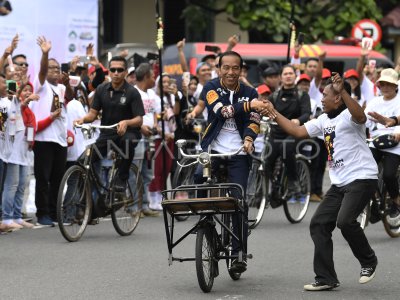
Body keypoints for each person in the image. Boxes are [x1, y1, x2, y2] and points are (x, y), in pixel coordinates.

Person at [261, 74, 378, 291]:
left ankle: (368, 260)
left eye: (326, 95)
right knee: (318, 224)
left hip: (362, 177)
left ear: (338, 99)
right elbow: (297, 131)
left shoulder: (349, 116)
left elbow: (361, 116)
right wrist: (273, 112)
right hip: (339, 182)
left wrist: (343, 90)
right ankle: (326, 278)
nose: (321, 99)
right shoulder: (323, 120)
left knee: (344, 222)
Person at [198, 50, 268, 273]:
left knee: (238, 201)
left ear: (241, 70)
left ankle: (239, 253)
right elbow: (221, 112)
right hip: (214, 151)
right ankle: (204, 226)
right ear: (218, 69)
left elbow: (255, 120)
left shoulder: (250, 91)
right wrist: (250, 105)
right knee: (198, 180)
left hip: (239, 153)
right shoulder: (210, 87)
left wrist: (249, 138)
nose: (230, 72)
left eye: (235, 68)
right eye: (225, 67)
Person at [75, 56, 145, 193]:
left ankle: (122, 178)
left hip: (128, 133)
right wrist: (82, 120)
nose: (116, 73)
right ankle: (85, 199)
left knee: (127, 142)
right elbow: (92, 114)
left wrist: (126, 122)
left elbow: (139, 119)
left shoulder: (132, 92)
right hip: (107, 134)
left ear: (125, 72)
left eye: (120, 70)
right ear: (109, 72)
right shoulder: (101, 89)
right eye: (113, 69)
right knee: (84, 161)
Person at [29, 36, 73, 226]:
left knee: (57, 179)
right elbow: (42, 70)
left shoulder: (61, 88)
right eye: (53, 68)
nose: (56, 71)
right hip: (44, 139)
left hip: (60, 140)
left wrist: (68, 83)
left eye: (58, 69)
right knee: (43, 178)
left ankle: (55, 213)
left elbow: (70, 97)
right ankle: (43, 213)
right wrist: (45, 54)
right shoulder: (42, 86)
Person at [266, 65, 311, 204]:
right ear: (281, 77)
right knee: (266, 159)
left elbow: (306, 113)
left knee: (286, 148)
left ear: (295, 75)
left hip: (294, 133)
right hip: (276, 133)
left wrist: (298, 120)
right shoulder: (273, 96)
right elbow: (267, 111)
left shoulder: (303, 95)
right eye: (285, 73)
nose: (288, 76)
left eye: (291, 73)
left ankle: (293, 182)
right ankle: (273, 189)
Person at [365, 68, 400, 226]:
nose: (385, 87)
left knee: (388, 175)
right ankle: (374, 202)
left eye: (388, 84)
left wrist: (398, 132)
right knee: (365, 172)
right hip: (376, 141)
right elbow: (365, 119)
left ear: (395, 86)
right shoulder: (374, 101)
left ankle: (396, 202)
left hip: (395, 143)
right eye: (382, 84)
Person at [0, 83, 37, 232]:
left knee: (22, 185)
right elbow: (17, 108)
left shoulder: (28, 110)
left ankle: (17, 216)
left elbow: (32, 128)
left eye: (30, 90)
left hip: (25, 153)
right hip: (13, 153)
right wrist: (25, 100)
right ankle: (7, 218)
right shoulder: (12, 105)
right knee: (11, 186)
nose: (27, 93)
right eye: (24, 90)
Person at [133, 63, 159, 216]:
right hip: (137, 137)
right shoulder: (133, 92)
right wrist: (141, 127)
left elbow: (154, 113)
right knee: (135, 172)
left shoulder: (151, 94)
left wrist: (154, 125)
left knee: (147, 173)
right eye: (153, 76)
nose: (154, 78)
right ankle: (134, 207)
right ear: (147, 77)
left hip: (150, 137)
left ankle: (144, 205)